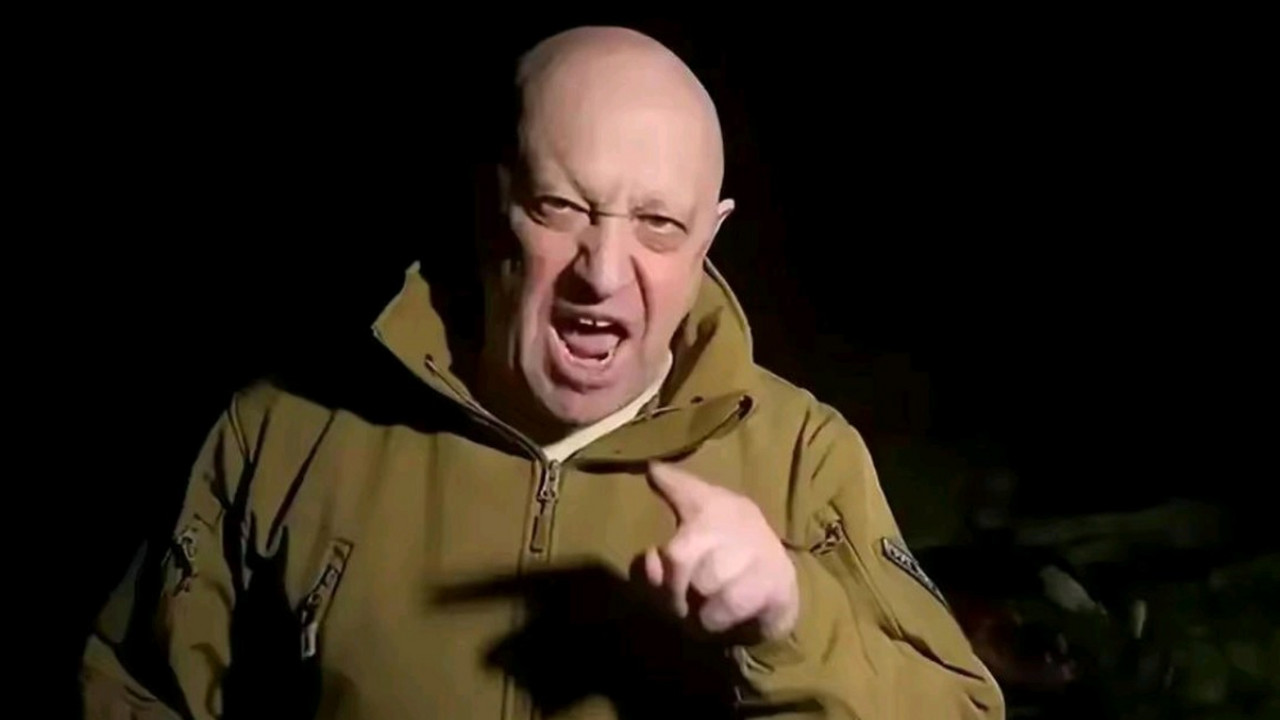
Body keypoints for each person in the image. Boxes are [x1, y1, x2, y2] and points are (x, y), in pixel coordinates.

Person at [81, 26, 1004, 719]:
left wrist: (793, 621)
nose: (602, 272)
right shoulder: (285, 431)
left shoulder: (803, 457)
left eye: (658, 225)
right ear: (493, 203)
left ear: (710, 237)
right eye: (561, 207)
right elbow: (129, 690)